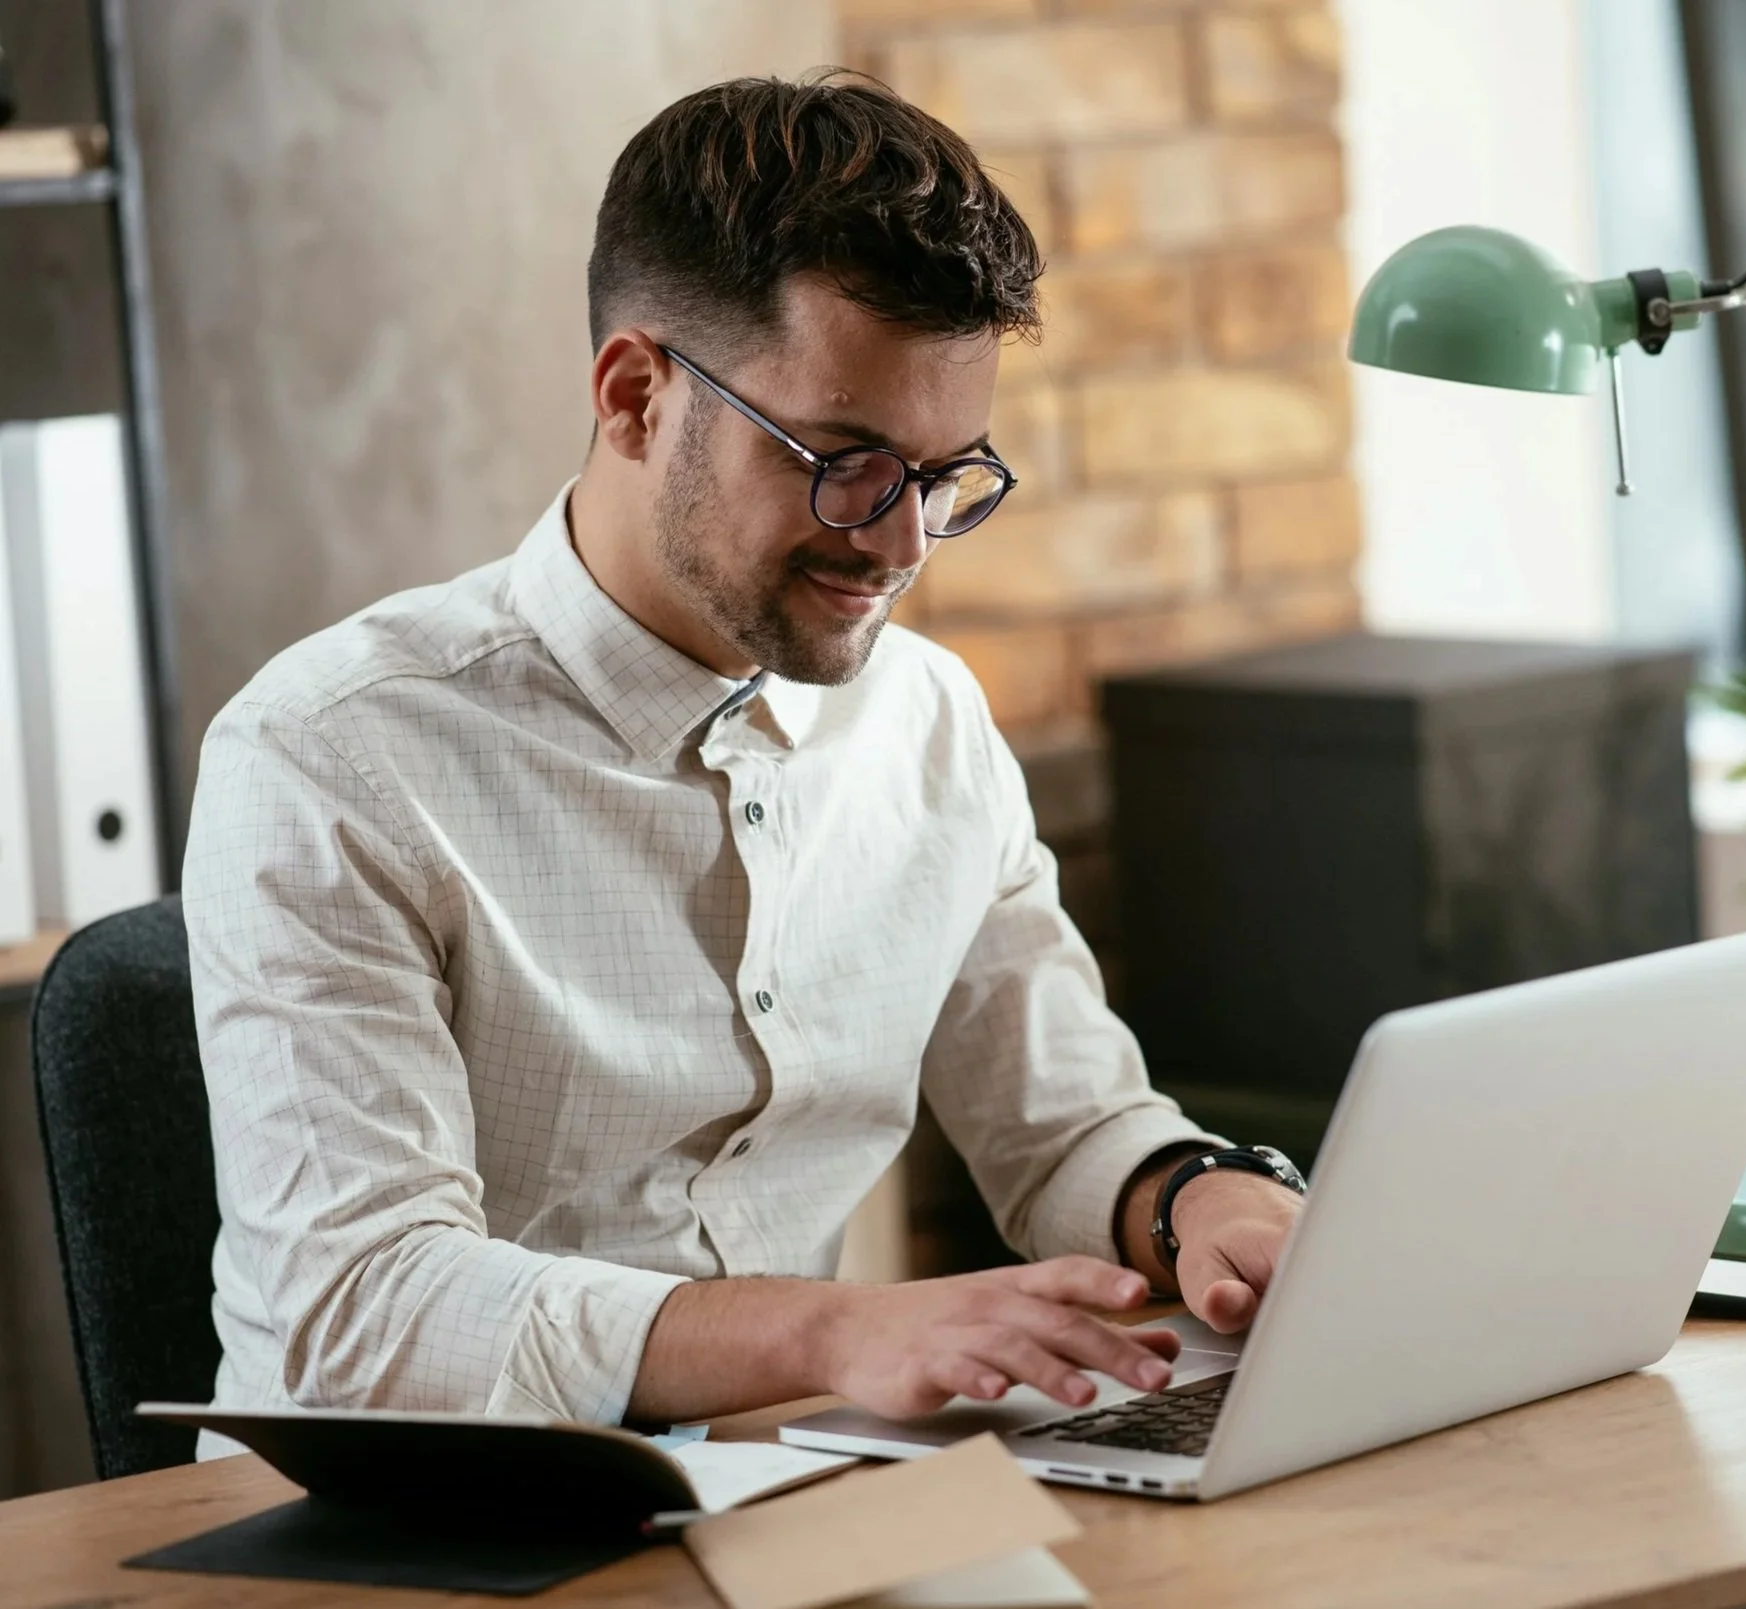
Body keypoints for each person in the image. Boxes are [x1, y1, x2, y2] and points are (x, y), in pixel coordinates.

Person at [185, 73, 1304, 1441]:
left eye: (948, 477)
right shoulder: (333, 753)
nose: (899, 548)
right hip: (393, 1537)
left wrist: (1199, 1199)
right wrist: (834, 1330)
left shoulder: (926, 722)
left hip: (774, 1486)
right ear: (637, 395)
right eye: (844, 461)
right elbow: (356, 1313)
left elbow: (1063, 1126)